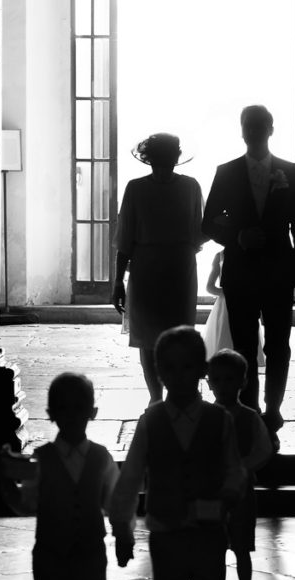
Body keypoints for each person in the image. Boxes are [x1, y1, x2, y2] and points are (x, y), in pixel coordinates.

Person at [109, 326, 245, 580]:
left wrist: (229, 497)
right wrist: (123, 529)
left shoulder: (221, 420)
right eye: (169, 368)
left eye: (187, 367)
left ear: (202, 369)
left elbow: (234, 468)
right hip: (165, 535)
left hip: (209, 533)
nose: (178, 376)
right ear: (159, 372)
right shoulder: (150, 422)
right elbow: (130, 478)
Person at [202, 105, 295, 450]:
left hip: (279, 272)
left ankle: (273, 412)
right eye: (249, 126)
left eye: (260, 126)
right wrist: (237, 237)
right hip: (241, 273)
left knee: (279, 346)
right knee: (244, 346)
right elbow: (208, 223)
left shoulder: (290, 172)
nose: (254, 132)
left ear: (271, 129)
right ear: (242, 131)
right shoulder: (226, 172)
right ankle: (248, 411)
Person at [30, 373, 119, 580]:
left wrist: (123, 534)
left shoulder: (101, 457)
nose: (71, 415)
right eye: (63, 409)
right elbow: (27, 504)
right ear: (51, 414)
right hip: (50, 559)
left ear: (92, 412)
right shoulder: (40, 460)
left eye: (78, 408)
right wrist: (7, 484)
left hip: (90, 557)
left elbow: (114, 501)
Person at [112, 133, 207, 405]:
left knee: (158, 337)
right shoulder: (187, 187)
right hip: (172, 266)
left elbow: (125, 240)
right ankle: (161, 398)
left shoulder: (140, 188)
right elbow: (199, 234)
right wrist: (118, 282)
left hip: (158, 267)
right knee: (153, 336)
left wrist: (119, 281)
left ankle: (165, 397)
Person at [206, 349, 274, 580]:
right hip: (212, 491)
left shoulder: (249, 417)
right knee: (215, 547)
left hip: (242, 492)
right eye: (217, 380)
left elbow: (263, 449)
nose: (223, 386)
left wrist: (242, 468)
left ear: (242, 382)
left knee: (242, 548)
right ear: (209, 382)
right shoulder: (205, 415)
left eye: (229, 380)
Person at [202, 249, 265, 366]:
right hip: (224, 307)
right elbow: (209, 287)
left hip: (247, 303)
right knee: (224, 339)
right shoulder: (220, 256)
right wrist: (230, 291)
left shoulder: (252, 253)